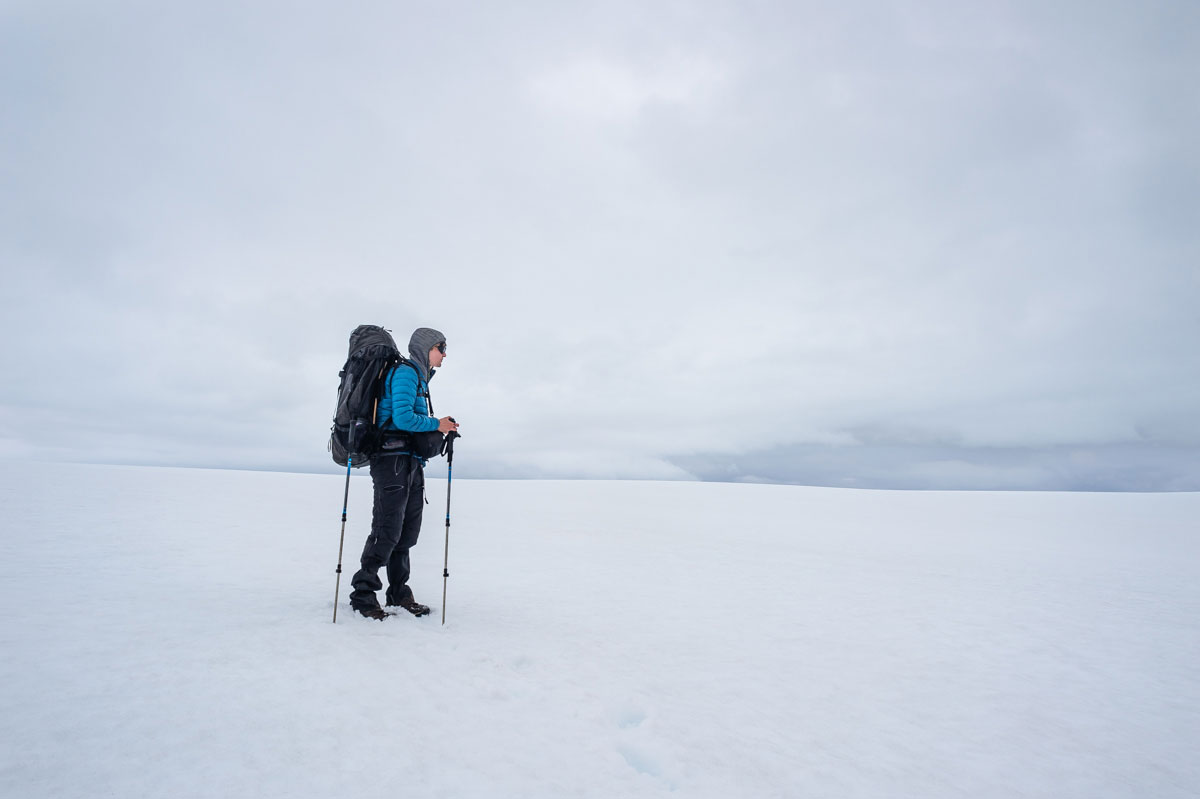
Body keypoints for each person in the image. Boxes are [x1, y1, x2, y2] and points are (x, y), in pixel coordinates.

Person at [349, 327, 459, 620]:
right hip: (391, 460)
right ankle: (363, 594)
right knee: (387, 529)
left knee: (407, 532)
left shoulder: (420, 378)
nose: (444, 354)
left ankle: (399, 593)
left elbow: (412, 419)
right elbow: (402, 417)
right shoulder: (406, 373)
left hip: (410, 461)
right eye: (441, 347)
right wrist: (437, 425)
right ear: (426, 347)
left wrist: (439, 428)